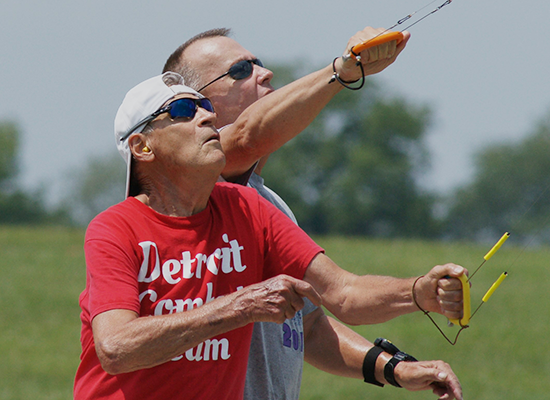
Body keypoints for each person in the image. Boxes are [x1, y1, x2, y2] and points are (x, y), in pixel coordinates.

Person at [74, 72, 463, 400]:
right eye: (181, 110)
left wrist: (420, 292)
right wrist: (242, 306)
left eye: (205, 107)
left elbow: (344, 293)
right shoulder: (114, 228)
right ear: (142, 147)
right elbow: (116, 347)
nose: (206, 117)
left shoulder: (248, 207)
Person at [163, 28, 466, 400]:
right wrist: (343, 70)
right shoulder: (198, 180)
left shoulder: (270, 204)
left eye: (258, 63)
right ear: (197, 106)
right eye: (241, 70)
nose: (265, 72)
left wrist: (394, 367)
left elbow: (309, 326)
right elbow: (245, 137)